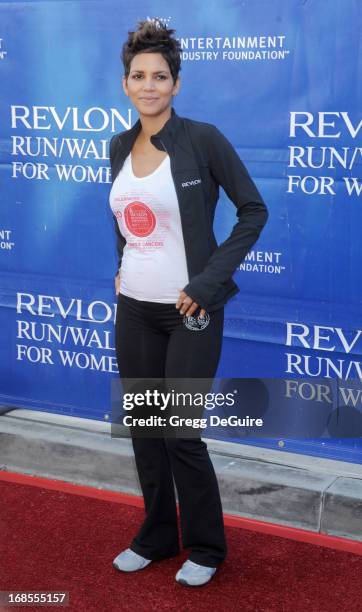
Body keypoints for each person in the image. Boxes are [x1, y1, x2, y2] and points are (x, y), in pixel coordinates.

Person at [108, 18, 268, 587]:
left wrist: (205, 286)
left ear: (176, 83)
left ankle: (204, 547)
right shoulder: (119, 146)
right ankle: (155, 536)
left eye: (160, 76)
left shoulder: (202, 139)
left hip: (189, 313)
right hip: (136, 310)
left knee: (179, 432)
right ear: (125, 84)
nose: (149, 85)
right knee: (146, 432)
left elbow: (254, 210)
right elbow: (130, 227)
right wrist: (122, 273)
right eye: (138, 75)